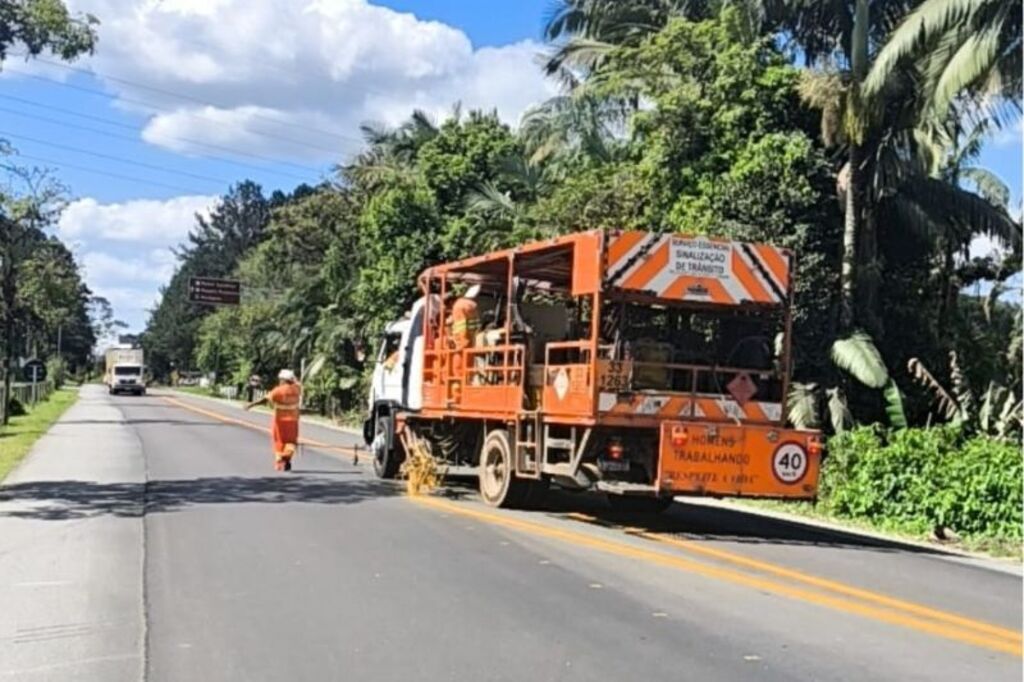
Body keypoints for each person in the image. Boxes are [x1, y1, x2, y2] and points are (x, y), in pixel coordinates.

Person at [245, 369, 302, 472]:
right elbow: (298, 383)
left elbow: (265, 399)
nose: (279, 381)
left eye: (280, 379)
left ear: (283, 380)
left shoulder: (279, 391)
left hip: (280, 421)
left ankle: (280, 460)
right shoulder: (297, 389)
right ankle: (287, 457)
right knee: (291, 442)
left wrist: (251, 404)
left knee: (279, 441)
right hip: (293, 421)